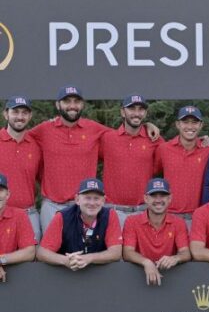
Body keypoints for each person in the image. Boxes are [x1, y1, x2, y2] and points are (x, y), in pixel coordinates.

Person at [29, 85, 160, 232]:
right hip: (52, 207)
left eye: (76, 101)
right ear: (58, 104)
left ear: (82, 104)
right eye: (67, 101)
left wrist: (146, 125)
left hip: (86, 206)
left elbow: (125, 134)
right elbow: (21, 138)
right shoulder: (44, 129)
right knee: (51, 252)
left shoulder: (94, 129)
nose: (72, 106)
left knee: (85, 253)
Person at [101, 94, 164, 228]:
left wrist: (201, 143)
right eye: (131, 109)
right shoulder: (107, 138)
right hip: (112, 211)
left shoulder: (154, 139)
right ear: (123, 112)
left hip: (142, 211)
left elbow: (176, 154)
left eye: (140, 109)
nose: (136, 113)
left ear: (145, 113)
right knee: (113, 250)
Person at [37, 178, 122, 270]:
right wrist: (65, 260)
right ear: (77, 199)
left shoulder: (110, 215)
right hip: (67, 273)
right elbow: (42, 253)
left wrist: (89, 258)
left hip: (100, 272)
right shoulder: (62, 216)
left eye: (96, 198)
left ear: (103, 201)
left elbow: (116, 252)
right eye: (87, 198)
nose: (92, 203)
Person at [123, 178, 191, 286]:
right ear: (146, 198)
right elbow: (127, 253)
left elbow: (186, 253)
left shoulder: (179, 223)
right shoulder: (132, 221)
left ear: (170, 198)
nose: (158, 200)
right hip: (137, 278)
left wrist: (175, 258)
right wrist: (147, 262)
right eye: (154, 195)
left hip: (171, 279)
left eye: (163, 195)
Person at [155, 105, 209, 229]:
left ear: (201, 125)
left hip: (197, 218)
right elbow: (153, 173)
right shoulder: (164, 149)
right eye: (185, 122)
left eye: (194, 122)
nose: (190, 127)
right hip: (168, 217)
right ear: (178, 124)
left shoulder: (208, 151)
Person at [0, 96, 42, 240]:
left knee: (33, 258)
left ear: (30, 116)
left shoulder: (36, 145)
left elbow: (44, 179)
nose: (20, 116)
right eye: (15, 112)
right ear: (6, 114)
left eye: (24, 112)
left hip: (28, 214)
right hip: (1, 214)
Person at [0, 173, 36, 283]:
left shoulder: (19, 215)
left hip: (13, 279)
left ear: (8, 194)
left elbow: (30, 252)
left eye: (0, 190)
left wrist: (1, 260)